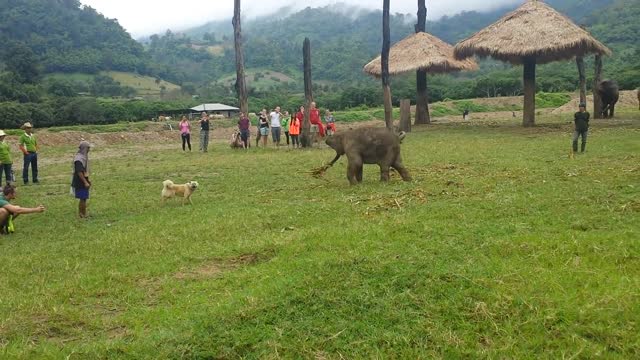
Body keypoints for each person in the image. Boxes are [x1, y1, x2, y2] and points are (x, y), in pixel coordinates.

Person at [71, 141, 91, 218]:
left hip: (83, 180)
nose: (89, 150)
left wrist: (88, 180)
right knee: (82, 198)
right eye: (88, 148)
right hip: (80, 181)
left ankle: (83, 213)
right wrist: (85, 182)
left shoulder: (83, 157)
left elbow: (84, 171)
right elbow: (79, 172)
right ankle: (81, 214)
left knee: (84, 198)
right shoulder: (79, 159)